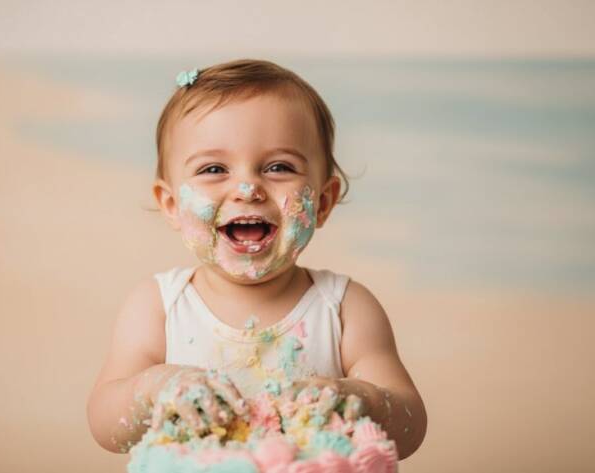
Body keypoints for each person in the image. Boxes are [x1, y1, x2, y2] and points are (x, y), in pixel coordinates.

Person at [86, 59, 427, 460]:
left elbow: (410, 427)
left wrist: (359, 399)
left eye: (279, 167)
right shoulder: (159, 307)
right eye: (214, 169)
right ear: (172, 205)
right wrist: (155, 389)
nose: (248, 188)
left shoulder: (344, 308)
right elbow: (105, 425)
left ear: (323, 202)